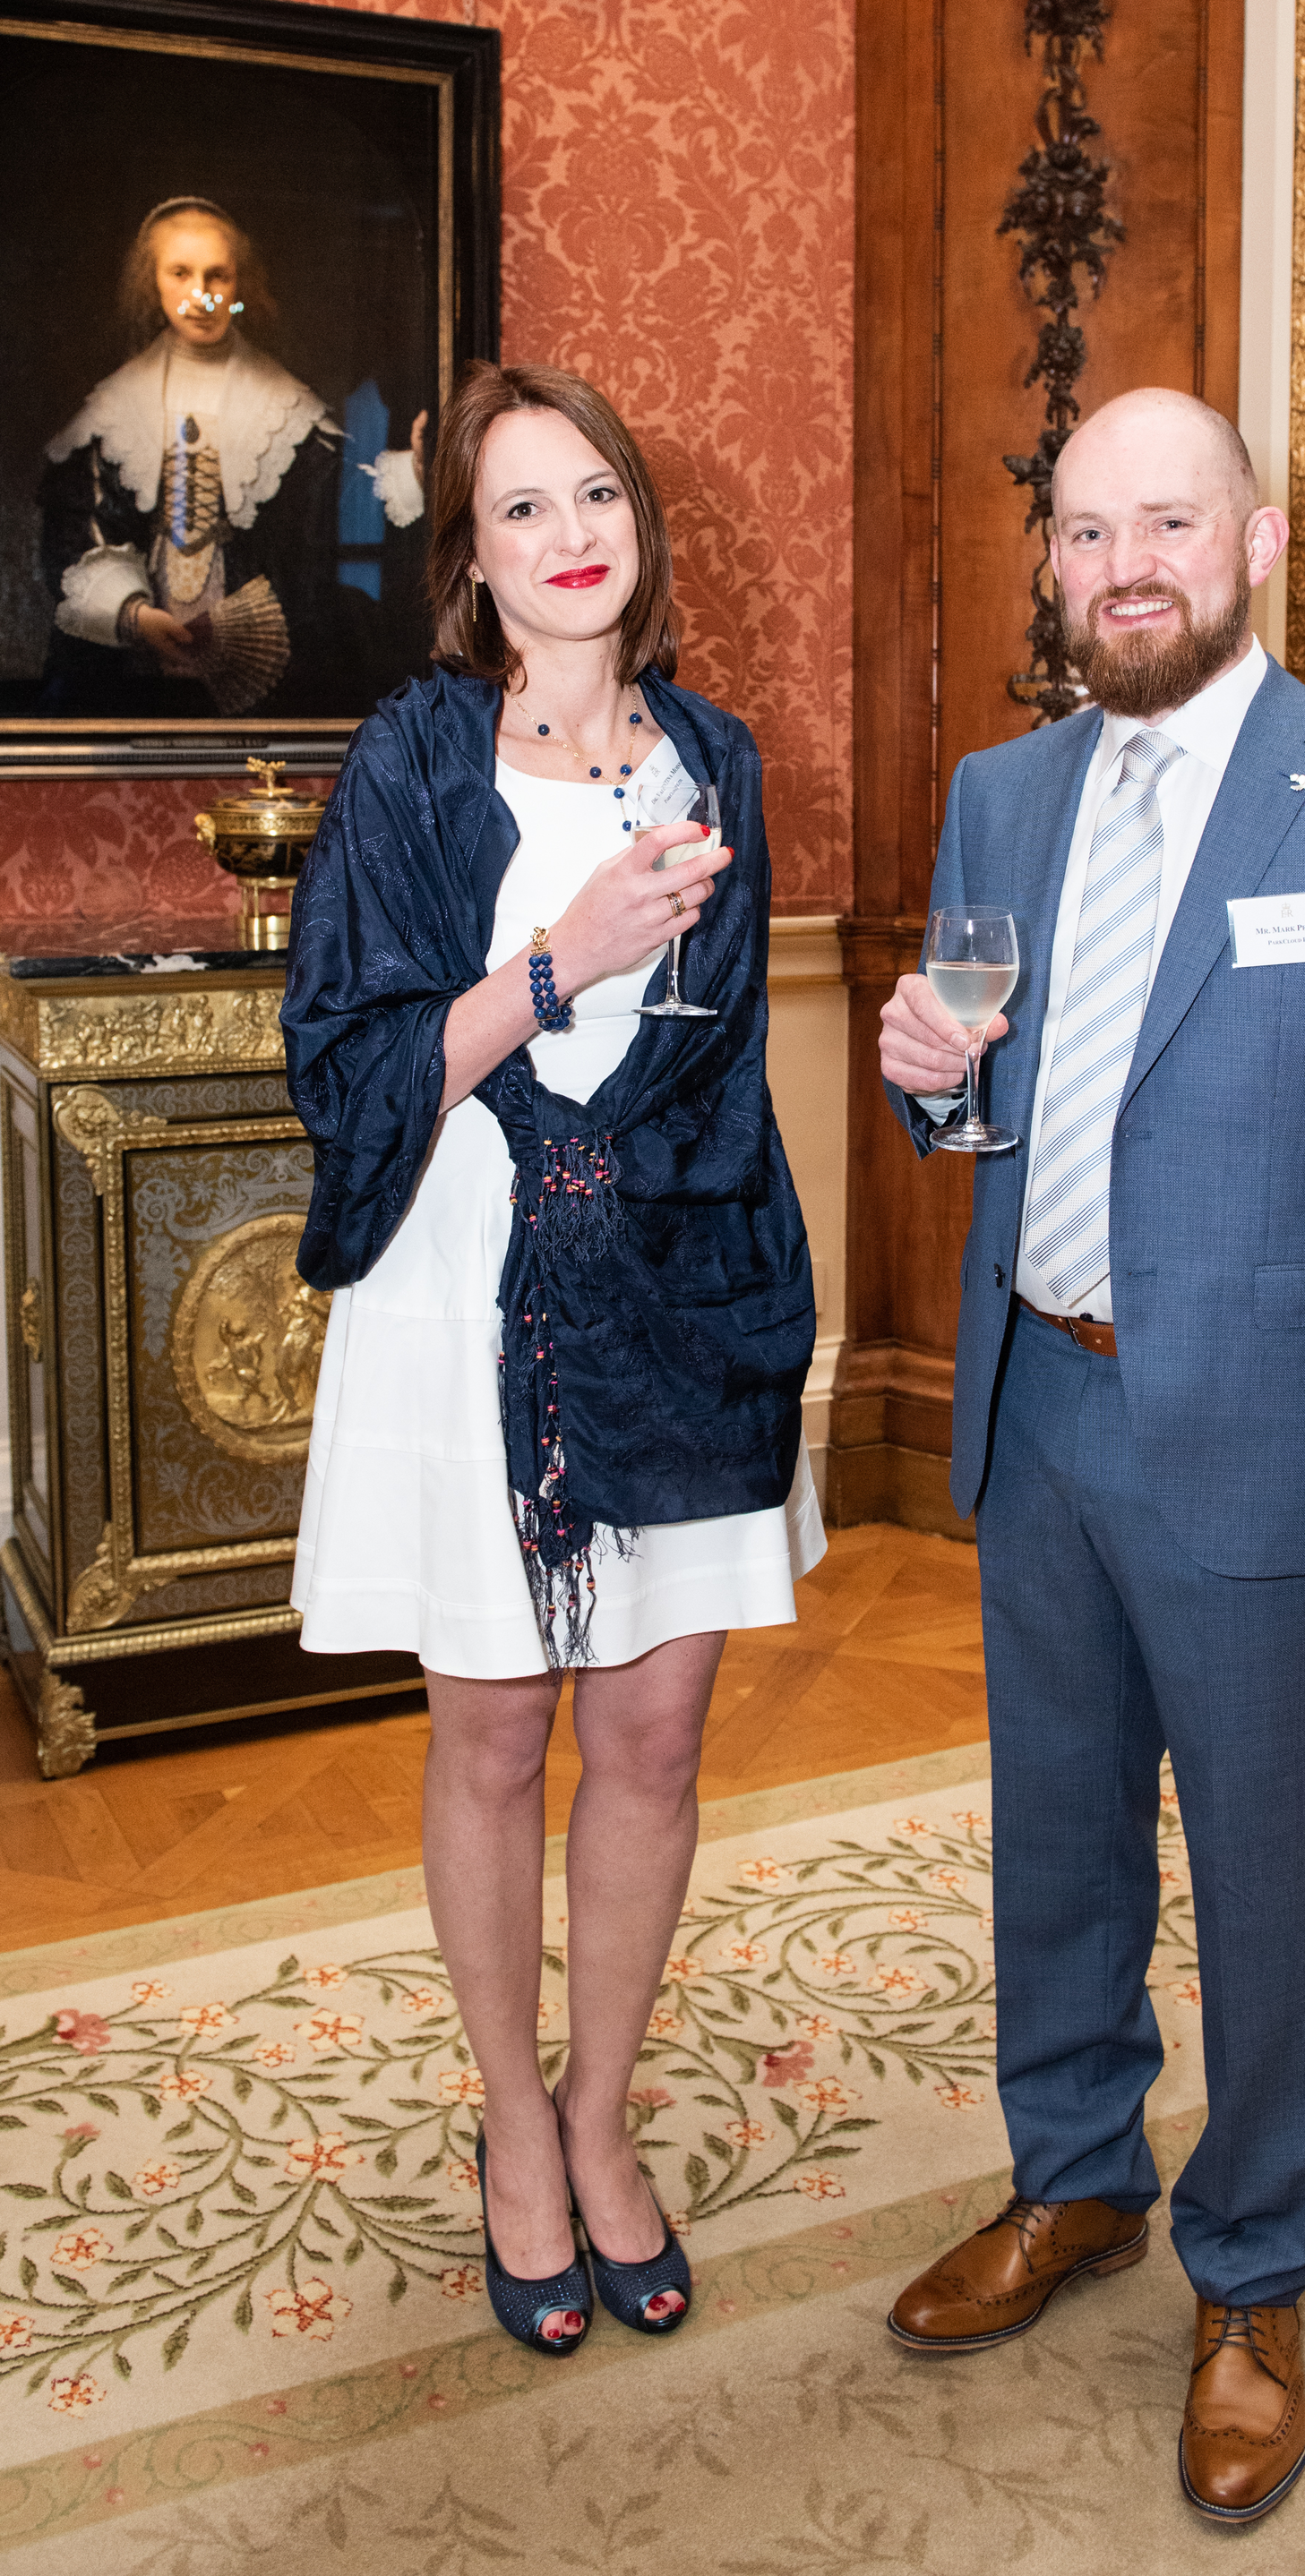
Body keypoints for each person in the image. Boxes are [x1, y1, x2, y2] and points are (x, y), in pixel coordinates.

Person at [876, 389, 1305, 2528]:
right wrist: (928, 1089)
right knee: (1052, 1838)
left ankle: (1249, 2271)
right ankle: (1075, 2179)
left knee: (1259, 1875)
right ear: (1052, 564)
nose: (1122, 560)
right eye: (1085, 528)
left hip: (1263, 1442)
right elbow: (983, 1100)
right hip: (1038, 1405)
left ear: (1253, 543)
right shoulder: (1001, 792)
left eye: (1167, 520)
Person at [282, 360, 824, 2357]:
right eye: (521, 508)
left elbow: (728, 1052)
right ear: (473, 563)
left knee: (660, 1738)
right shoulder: (414, 760)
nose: (569, 531)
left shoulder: (722, 758)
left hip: (679, 1286)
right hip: (461, 1299)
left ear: (638, 522)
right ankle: (513, 2121)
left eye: (596, 491)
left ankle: (605, 2119)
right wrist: (556, 960)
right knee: (497, 1735)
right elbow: (347, 1065)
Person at [40, 195, 425, 717]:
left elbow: (336, 499)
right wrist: (134, 614)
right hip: (138, 668)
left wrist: (412, 473)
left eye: (217, 276)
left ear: (239, 283)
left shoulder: (280, 402)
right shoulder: (114, 406)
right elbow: (84, 524)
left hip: (262, 666)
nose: (201, 295)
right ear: (152, 284)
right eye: (181, 273)